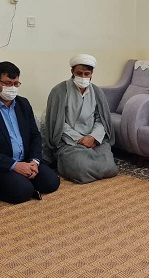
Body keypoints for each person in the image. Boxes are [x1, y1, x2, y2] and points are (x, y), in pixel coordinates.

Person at [0, 61, 60, 203]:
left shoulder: (23, 104)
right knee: (23, 191)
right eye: (8, 83)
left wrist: (34, 161)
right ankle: (21, 183)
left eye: (16, 84)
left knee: (52, 182)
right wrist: (14, 166)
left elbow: (35, 135)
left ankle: (25, 179)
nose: (13, 88)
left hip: (26, 160)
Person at [45, 54, 119, 184]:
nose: (83, 77)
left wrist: (93, 137)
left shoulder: (97, 92)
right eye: (79, 73)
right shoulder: (59, 91)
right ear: (72, 71)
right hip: (69, 141)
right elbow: (58, 123)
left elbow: (101, 119)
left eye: (86, 74)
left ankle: (92, 165)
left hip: (94, 141)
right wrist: (80, 139)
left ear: (92, 74)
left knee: (110, 167)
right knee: (81, 167)